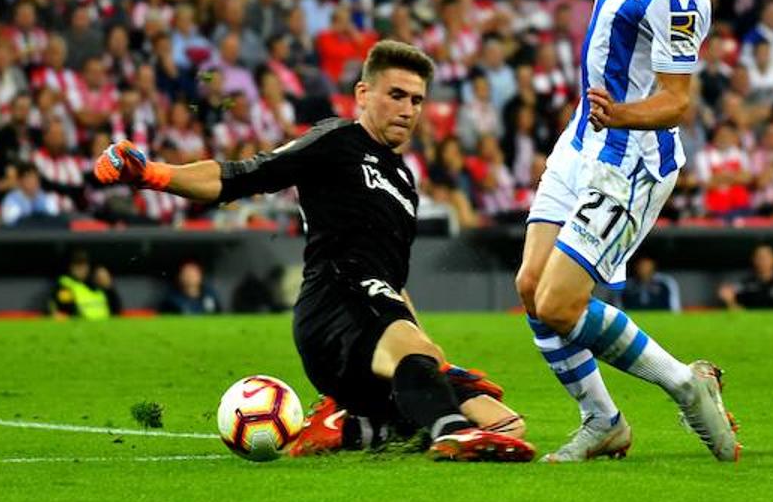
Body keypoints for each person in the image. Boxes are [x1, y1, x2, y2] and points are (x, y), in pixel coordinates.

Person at [95, 42, 534, 462]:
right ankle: (448, 433)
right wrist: (152, 174)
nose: (408, 110)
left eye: (417, 100)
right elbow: (241, 176)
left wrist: (432, 358)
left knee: (506, 425)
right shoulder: (335, 141)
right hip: (334, 308)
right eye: (397, 95)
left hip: (384, 321)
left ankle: (351, 429)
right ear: (363, 93)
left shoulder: (404, 182)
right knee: (443, 401)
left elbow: (394, 286)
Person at [514, 0, 739, 464]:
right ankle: (603, 421)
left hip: (631, 158)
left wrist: (621, 114)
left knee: (561, 303)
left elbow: (676, 100)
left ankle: (687, 387)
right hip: (584, 137)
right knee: (532, 286)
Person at [718, 244, 773, 310]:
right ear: (754, 260)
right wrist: (729, 301)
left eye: (766, 257)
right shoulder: (743, 284)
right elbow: (737, 312)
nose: (763, 261)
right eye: (759, 257)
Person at [49, 250, 121, 319]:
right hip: (78, 325)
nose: (81, 268)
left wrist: (109, 287)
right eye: (77, 264)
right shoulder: (65, 284)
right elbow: (58, 307)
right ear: (71, 266)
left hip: (104, 323)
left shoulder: (96, 283)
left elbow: (117, 310)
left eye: (84, 264)